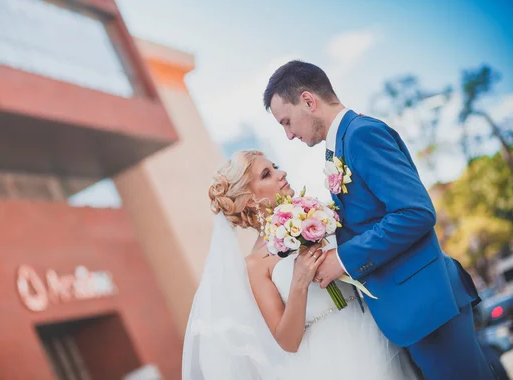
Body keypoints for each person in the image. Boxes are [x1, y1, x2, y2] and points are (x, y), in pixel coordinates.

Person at [263, 60, 494, 379]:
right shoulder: (341, 146)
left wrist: (342, 259)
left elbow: (415, 213)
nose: (288, 135)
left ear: (308, 101)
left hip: (429, 306)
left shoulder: (361, 134)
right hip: (414, 313)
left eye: (287, 122)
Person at [182, 150, 418, 379]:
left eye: (274, 166)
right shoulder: (256, 264)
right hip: (330, 357)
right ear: (250, 200)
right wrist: (299, 282)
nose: (280, 173)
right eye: (267, 174)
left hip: (374, 324)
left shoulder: (319, 215)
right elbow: (287, 341)